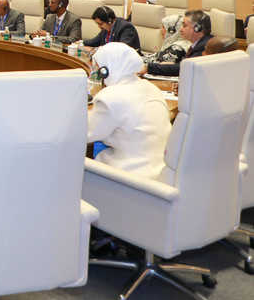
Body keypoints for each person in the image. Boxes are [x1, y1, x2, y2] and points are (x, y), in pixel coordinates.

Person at [87, 42, 171, 179]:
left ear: (105, 70)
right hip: (162, 174)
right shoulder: (152, 88)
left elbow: (86, 133)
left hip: (128, 178)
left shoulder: (110, 97)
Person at [144, 10, 212, 76]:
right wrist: (173, 65)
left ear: (197, 28)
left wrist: (149, 68)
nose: (181, 29)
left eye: (184, 26)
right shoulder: (199, 44)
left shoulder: (205, 47)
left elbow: (184, 69)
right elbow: (184, 66)